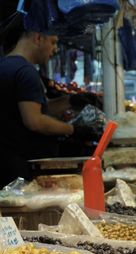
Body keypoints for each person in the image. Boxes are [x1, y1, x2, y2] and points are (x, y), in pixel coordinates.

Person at [0, 12, 94, 187]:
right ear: (37, 38)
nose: (55, 49)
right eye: (53, 42)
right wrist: (73, 129)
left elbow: (36, 109)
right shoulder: (26, 71)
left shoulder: (6, 65)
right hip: (17, 169)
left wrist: (70, 101)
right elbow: (34, 120)